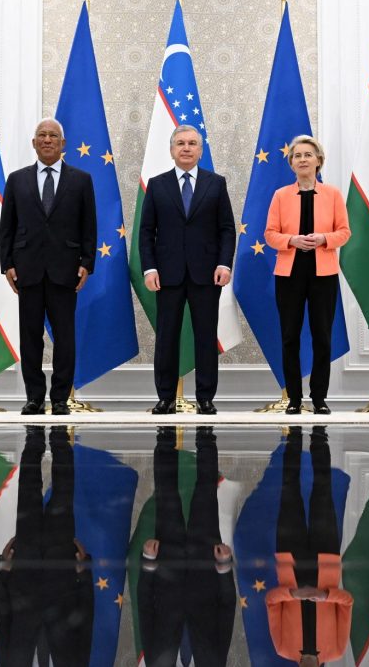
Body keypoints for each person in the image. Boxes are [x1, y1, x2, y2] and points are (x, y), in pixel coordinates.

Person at [0, 118, 96, 415]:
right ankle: (34, 397)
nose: (47, 140)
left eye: (53, 135)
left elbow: (88, 226)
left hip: (65, 269)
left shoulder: (81, 180)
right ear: (34, 143)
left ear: (63, 143)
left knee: (65, 337)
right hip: (27, 269)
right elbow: (7, 226)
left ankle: (60, 399)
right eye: (41, 135)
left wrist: (87, 263)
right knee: (30, 338)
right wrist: (7, 264)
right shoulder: (17, 180)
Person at [139, 126, 236, 415]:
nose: (186, 148)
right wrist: (149, 268)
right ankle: (165, 397)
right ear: (171, 150)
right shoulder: (157, 185)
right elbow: (146, 232)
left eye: (192, 143)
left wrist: (224, 263)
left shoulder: (215, 183)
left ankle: (205, 397)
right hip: (166, 275)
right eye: (180, 143)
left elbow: (227, 229)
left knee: (205, 337)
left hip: (207, 274)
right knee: (167, 336)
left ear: (201, 150)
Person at [263, 135, 351, 414]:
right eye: (297, 155)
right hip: (289, 273)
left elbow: (345, 232)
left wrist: (324, 238)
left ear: (318, 161)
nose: (302, 159)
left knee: (322, 336)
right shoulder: (280, 195)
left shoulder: (333, 194)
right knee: (290, 336)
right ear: (291, 164)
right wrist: (292, 241)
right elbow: (269, 234)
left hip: (323, 273)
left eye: (308, 155)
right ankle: (294, 400)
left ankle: (319, 398)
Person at [0, 426, 93, 667]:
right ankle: (60, 435)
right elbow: (85, 622)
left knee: (28, 492)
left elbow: (3, 620)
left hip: (23, 565)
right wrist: (85, 573)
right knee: (63, 493)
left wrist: (3, 571)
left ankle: (33, 436)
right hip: (63, 571)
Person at [138, 426, 236, 666]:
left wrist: (149, 562)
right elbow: (226, 608)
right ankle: (206, 435)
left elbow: (144, 605)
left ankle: (165, 436)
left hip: (165, 561)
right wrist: (224, 567)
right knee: (205, 491)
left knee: (166, 494)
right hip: (207, 561)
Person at [265, 427, 352, 667]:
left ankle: (293, 435)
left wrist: (292, 594)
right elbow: (347, 602)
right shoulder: (336, 650)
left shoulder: (283, 648)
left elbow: (271, 601)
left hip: (290, 561)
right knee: (322, 491)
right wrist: (325, 596)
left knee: (289, 489)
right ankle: (319, 434)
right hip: (326, 560)